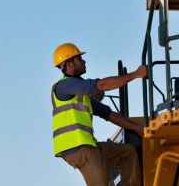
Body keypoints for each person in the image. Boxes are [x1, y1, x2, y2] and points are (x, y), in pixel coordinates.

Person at [50, 43, 147, 186]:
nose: (84, 62)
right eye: (79, 59)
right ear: (69, 64)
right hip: (79, 149)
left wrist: (136, 128)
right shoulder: (65, 86)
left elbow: (109, 114)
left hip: (89, 146)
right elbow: (100, 85)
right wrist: (136, 74)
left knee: (127, 153)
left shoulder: (79, 96)